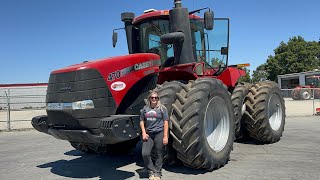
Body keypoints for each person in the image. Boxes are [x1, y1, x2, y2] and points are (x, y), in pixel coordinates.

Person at [140, 91, 169, 180]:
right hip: (149, 134)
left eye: (156, 97)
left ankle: (158, 173)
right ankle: (151, 170)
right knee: (145, 153)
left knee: (159, 153)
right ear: (149, 98)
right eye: (152, 97)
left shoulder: (162, 109)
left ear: (158, 99)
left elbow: (166, 122)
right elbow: (141, 121)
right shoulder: (145, 109)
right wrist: (144, 133)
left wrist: (165, 136)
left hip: (159, 133)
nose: (154, 99)